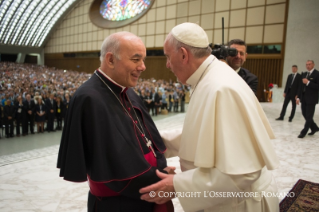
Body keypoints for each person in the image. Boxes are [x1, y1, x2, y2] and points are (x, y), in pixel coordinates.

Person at [139, 23, 279, 212]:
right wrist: (156, 143)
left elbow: (243, 173)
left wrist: (178, 185)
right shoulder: (208, 77)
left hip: (239, 204)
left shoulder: (221, 87)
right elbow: (205, 134)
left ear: (183, 54)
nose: (167, 64)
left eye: (167, 56)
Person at [57, 32, 173, 212]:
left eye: (143, 60)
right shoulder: (89, 99)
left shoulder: (127, 90)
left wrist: (160, 169)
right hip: (119, 204)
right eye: (136, 59)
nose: (142, 67)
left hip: (145, 191)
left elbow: (147, 139)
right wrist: (160, 180)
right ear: (110, 60)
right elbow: (113, 169)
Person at [296, 60, 319, 138]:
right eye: (306, 64)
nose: (308, 66)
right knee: (304, 114)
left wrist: (308, 82)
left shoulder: (317, 74)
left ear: (313, 64)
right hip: (304, 98)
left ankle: (303, 132)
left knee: (309, 116)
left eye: (309, 64)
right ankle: (314, 128)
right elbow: (301, 86)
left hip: (312, 99)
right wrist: (298, 97)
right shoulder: (305, 74)